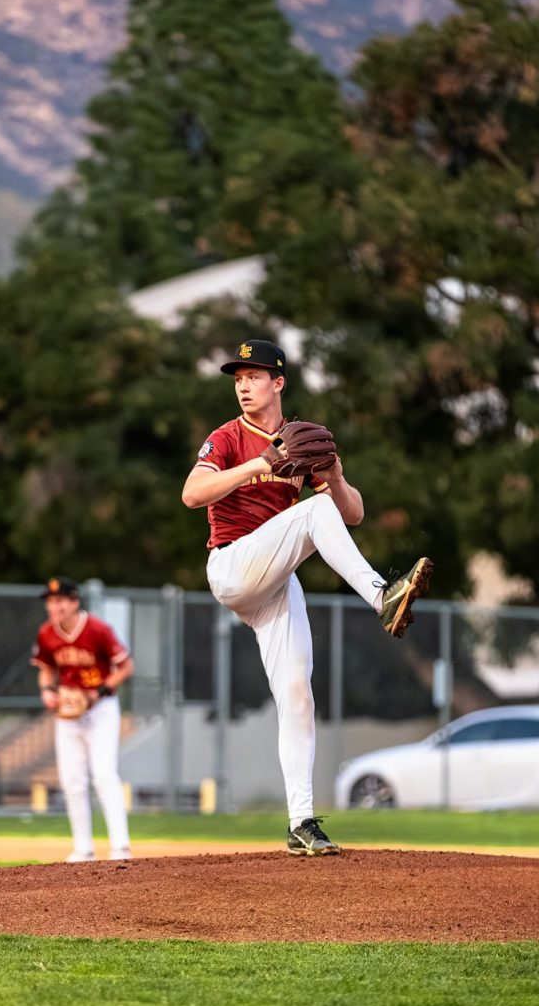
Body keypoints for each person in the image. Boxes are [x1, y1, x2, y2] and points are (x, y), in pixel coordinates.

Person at [181, 339, 433, 858]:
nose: (243, 385)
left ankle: (301, 824)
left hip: (274, 580)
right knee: (314, 517)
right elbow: (192, 494)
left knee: (297, 693)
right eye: (237, 378)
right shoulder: (227, 438)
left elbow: (354, 513)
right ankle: (382, 597)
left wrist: (336, 477)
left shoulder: (300, 440)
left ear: (278, 382)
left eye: (253, 376)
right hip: (231, 564)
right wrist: (260, 465)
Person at [31, 577, 135, 862]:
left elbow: (125, 666)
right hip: (66, 712)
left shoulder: (97, 630)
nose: (54, 607)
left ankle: (120, 847)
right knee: (72, 781)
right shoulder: (47, 634)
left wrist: (98, 692)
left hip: (100, 709)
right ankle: (83, 848)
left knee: (103, 774)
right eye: (51, 602)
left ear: (75, 602)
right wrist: (46, 692)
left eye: (60, 601)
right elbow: (46, 670)